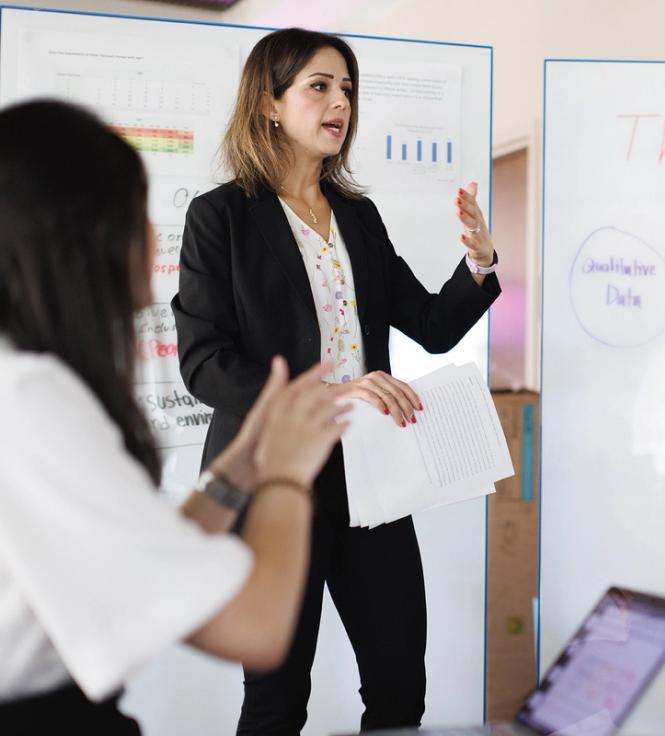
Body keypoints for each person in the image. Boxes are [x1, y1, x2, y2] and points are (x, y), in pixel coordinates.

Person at [170, 28, 500, 734]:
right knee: (277, 699)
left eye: (346, 88)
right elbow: (204, 362)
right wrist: (332, 394)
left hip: (373, 477)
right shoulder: (221, 217)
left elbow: (432, 325)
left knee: (398, 688)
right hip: (273, 484)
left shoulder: (358, 215)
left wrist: (477, 262)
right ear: (269, 104)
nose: (339, 102)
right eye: (319, 86)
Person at [0, 100, 349, 735]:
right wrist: (287, 476)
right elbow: (257, 627)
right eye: (136, 215)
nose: (151, 239)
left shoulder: (25, 384)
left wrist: (238, 473)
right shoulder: (28, 399)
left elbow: (135, 562)